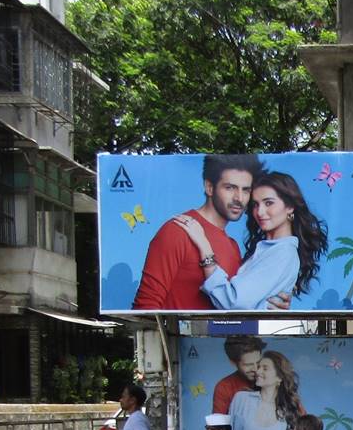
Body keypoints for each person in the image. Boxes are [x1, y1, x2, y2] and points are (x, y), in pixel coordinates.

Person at [172, 172, 327, 311]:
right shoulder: (267, 250)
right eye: (255, 205)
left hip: (251, 340)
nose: (259, 212)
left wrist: (204, 248)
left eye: (269, 203)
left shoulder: (283, 252)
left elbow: (233, 302)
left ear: (290, 207)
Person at [132, 153, 267, 311]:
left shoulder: (233, 247)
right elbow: (146, 305)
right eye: (230, 188)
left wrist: (269, 304)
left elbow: (234, 305)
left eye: (246, 190)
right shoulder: (178, 231)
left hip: (222, 336)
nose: (239, 198)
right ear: (209, 187)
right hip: (178, 336)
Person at [228, 350, 303, 430]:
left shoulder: (287, 410)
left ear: (279, 378)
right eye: (259, 367)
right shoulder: (241, 399)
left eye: (265, 368)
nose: (258, 372)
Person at [211, 335, 266, 415]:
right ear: (233, 362)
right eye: (248, 364)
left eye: (258, 362)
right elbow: (218, 425)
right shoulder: (224, 387)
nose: (255, 369)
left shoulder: (273, 379)